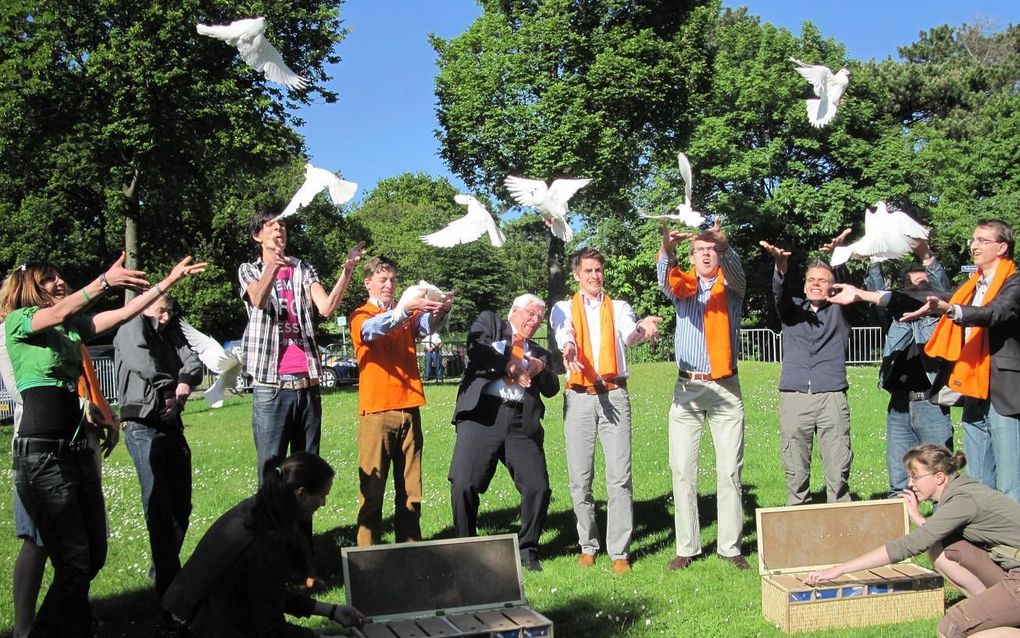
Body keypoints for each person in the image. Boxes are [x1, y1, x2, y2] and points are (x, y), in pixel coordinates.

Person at [1, 253, 204, 638]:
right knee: (74, 561)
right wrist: (104, 281)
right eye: (50, 280)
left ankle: (64, 627)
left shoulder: (69, 329)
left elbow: (121, 317)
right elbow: (61, 313)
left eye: (61, 277)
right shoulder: (19, 322)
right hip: (43, 455)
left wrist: (167, 282)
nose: (60, 282)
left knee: (93, 557)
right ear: (30, 288)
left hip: (76, 450)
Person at [805, 444, 1020, 638]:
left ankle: (993, 615)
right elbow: (932, 536)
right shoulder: (960, 489)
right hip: (1012, 568)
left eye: (915, 477)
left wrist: (839, 570)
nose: (910, 483)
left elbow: (908, 546)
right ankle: (994, 611)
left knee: (953, 627)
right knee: (945, 549)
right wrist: (917, 517)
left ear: (939, 477)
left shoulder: (963, 500)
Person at [162, 452, 366, 637]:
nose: (323, 503)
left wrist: (331, 611)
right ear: (300, 493)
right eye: (322, 495)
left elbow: (266, 592)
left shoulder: (256, 510)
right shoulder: (268, 540)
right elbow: (270, 630)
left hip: (185, 620)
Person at [549, 248, 661, 574]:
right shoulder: (562, 308)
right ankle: (588, 544)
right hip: (579, 397)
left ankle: (619, 551)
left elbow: (629, 335)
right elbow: (563, 332)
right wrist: (568, 347)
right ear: (576, 275)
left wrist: (641, 331)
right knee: (579, 479)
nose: (594, 276)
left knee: (619, 478)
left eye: (598, 270)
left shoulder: (620, 307)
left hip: (614, 394)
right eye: (588, 271)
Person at [238, 206, 365, 483]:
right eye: (271, 225)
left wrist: (347, 270)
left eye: (282, 224)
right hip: (271, 388)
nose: (279, 228)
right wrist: (273, 266)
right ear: (257, 236)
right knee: (271, 471)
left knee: (308, 472)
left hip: (307, 386)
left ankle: (302, 528)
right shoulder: (249, 270)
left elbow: (327, 307)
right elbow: (259, 300)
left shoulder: (302, 268)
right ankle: (272, 527)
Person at [656, 221, 749, 570]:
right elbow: (664, 277)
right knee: (682, 470)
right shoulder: (683, 288)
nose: (707, 253)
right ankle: (687, 546)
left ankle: (730, 547)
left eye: (711, 248)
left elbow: (737, 268)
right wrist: (667, 249)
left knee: (728, 472)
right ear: (692, 256)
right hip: (687, 388)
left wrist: (725, 245)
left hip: (725, 386)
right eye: (701, 249)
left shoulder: (733, 287)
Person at [909, 220, 1019, 502]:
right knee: (978, 480)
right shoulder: (971, 286)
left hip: (1003, 390)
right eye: (973, 239)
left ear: (1002, 247)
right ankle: (982, 540)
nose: (974, 245)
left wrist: (952, 310)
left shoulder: (1014, 283)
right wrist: (870, 296)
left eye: (983, 240)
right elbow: (928, 298)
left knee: (1010, 482)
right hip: (972, 384)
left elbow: (994, 313)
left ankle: (1012, 543)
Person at [449, 294, 559, 572]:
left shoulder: (538, 351)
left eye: (539, 318)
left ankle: (528, 551)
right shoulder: (491, 324)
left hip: (522, 422)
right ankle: (465, 547)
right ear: (514, 310)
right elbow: (477, 349)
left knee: (538, 488)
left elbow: (551, 388)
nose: (534, 321)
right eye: (530, 314)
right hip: (483, 415)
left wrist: (541, 367)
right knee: (464, 483)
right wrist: (508, 363)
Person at [350, 256, 453, 546]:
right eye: (383, 280)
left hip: (409, 407)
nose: (389, 285)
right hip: (377, 412)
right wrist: (403, 310)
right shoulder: (361, 315)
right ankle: (366, 555)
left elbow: (425, 328)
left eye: (393, 280)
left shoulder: (405, 315)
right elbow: (372, 331)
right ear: (368, 283)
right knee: (372, 490)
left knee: (411, 490)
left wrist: (440, 310)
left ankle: (410, 549)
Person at [114, 295, 204, 596]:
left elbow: (192, 359)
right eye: (161, 310)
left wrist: (185, 381)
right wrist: (168, 385)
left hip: (171, 423)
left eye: (169, 311)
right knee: (159, 506)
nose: (166, 316)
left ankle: (163, 570)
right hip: (141, 424)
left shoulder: (170, 332)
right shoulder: (131, 325)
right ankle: (169, 583)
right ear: (145, 305)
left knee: (182, 505)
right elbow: (141, 360)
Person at [759, 237, 852, 506]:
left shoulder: (841, 311)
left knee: (838, 466)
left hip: (831, 395)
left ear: (832, 286)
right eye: (811, 279)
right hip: (795, 395)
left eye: (822, 280)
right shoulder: (792, 310)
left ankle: (841, 522)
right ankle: (798, 519)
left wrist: (839, 257)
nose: (815, 284)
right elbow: (780, 294)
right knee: (795, 467)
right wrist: (780, 268)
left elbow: (849, 290)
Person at [863, 239, 955, 497]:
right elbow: (878, 293)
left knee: (942, 479)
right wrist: (874, 260)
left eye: (923, 287)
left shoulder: (940, 319)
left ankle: (943, 534)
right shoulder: (894, 319)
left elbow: (945, 290)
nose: (918, 293)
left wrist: (928, 258)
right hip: (899, 407)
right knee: (898, 483)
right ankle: (903, 536)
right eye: (911, 288)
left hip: (932, 406)